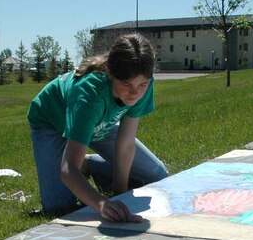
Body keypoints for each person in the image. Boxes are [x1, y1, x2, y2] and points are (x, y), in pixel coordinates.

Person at [27, 33, 169, 222]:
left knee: (157, 174)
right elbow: (68, 168)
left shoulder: (144, 83)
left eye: (142, 84)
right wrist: (101, 204)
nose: (135, 93)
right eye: (126, 84)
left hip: (98, 123)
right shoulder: (89, 95)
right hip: (51, 123)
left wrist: (120, 195)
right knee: (59, 206)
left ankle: (88, 163)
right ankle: (79, 159)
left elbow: (125, 143)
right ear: (110, 73)